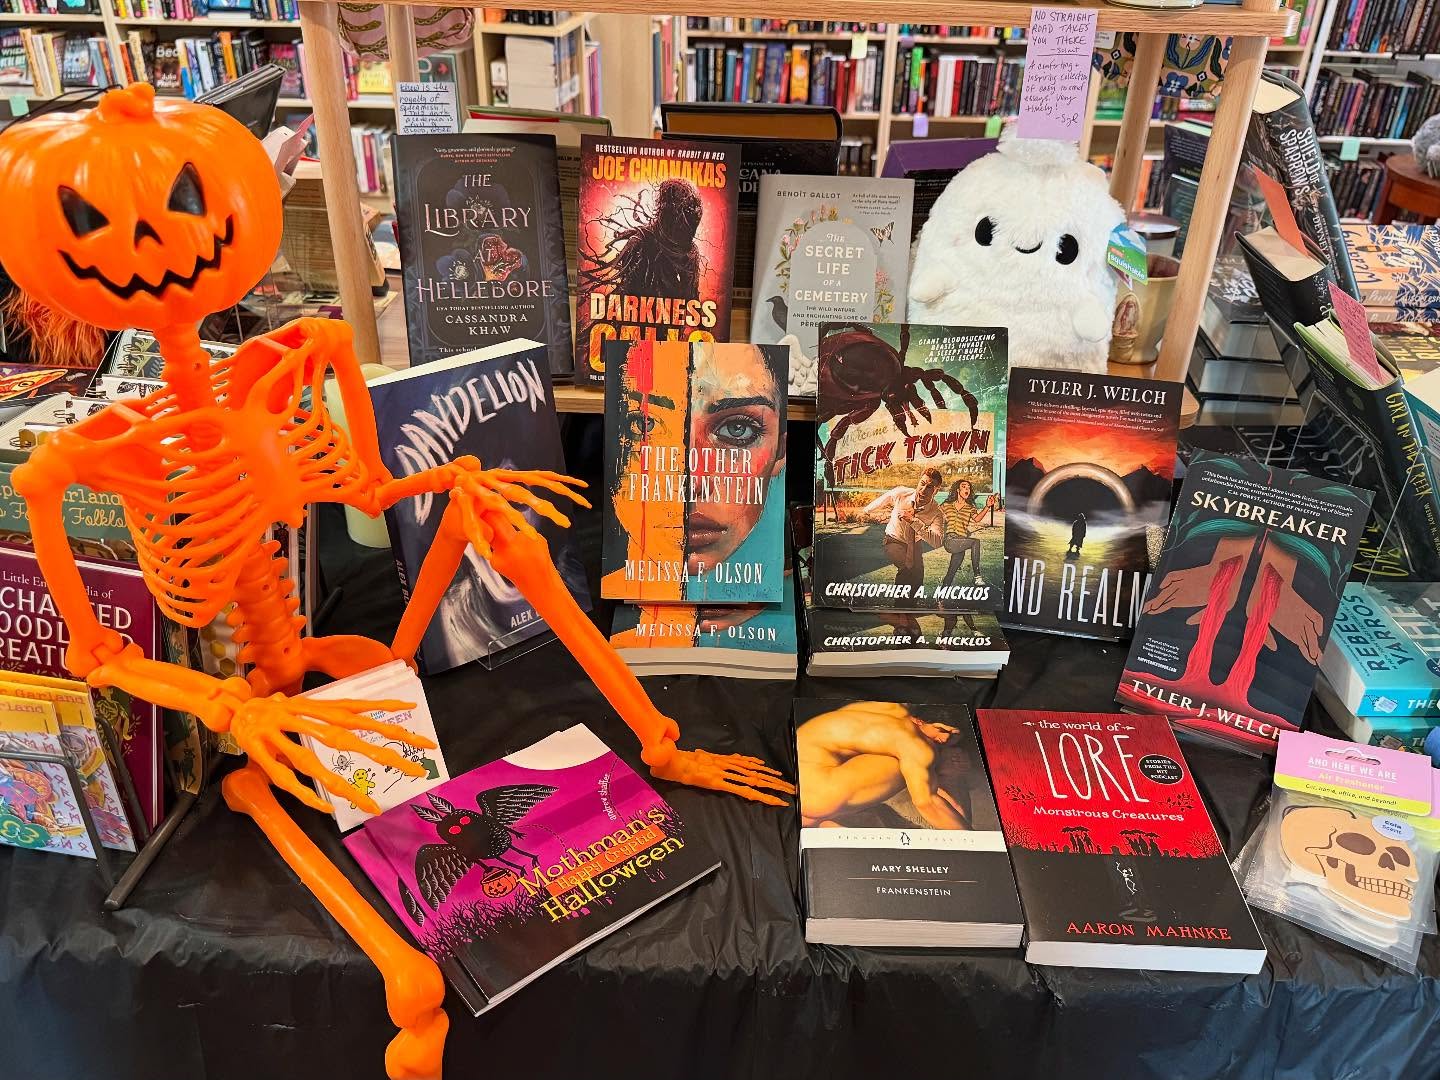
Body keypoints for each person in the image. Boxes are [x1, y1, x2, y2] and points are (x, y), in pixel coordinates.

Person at [795, 700, 969, 830]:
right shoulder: (917, 745)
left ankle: (813, 820)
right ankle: (818, 818)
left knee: (913, 763)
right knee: (909, 766)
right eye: (942, 729)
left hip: (793, 765)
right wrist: (972, 840)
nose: (945, 739)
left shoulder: (892, 708)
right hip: (815, 794)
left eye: (954, 735)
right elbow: (927, 803)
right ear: (921, 720)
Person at [860, 466, 945, 591]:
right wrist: (866, 511)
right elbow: (885, 498)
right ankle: (899, 605)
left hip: (915, 543)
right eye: (922, 484)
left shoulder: (936, 512)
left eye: (929, 487)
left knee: (917, 577)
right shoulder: (902, 493)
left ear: (936, 491)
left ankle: (911, 608)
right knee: (906, 569)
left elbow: (937, 541)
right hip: (893, 539)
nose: (923, 490)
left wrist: (913, 521)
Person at [940, 478, 984, 588]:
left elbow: (977, 519)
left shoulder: (970, 508)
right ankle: (977, 576)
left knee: (951, 572)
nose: (967, 489)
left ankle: (940, 599)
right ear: (958, 490)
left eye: (969, 487)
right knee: (975, 542)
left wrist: (987, 506)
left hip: (961, 543)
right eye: (964, 487)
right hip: (950, 540)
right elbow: (935, 513)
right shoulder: (947, 505)